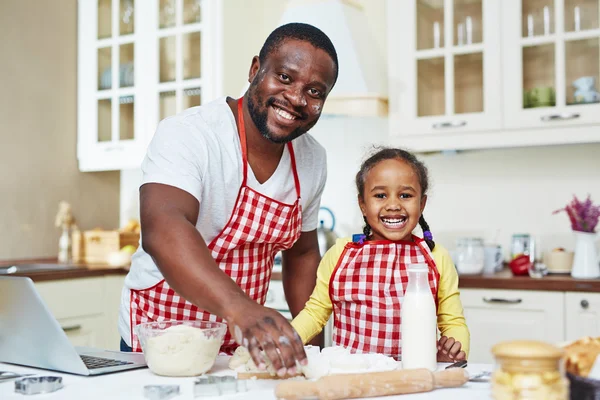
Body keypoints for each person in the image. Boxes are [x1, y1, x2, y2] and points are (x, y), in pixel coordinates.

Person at [118, 22, 339, 377]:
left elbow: (302, 253)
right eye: (284, 77)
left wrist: (312, 348)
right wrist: (241, 309)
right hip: (163, 341)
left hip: (242, 343)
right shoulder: (190, 134)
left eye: (315, 91)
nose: (297, 99)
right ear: (255, 70)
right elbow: (164, 228)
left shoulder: (313, 159)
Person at [291, 147, 470, 361]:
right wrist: (286, 341)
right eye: (380, 195)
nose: (393, 205)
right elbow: (315, 313)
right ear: (363, 205)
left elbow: (453, 323)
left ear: (421, 204)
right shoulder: (341, 253)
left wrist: (454, 349)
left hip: (415, 378)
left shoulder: (435, 256)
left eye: (405, 195)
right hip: (353, 378)